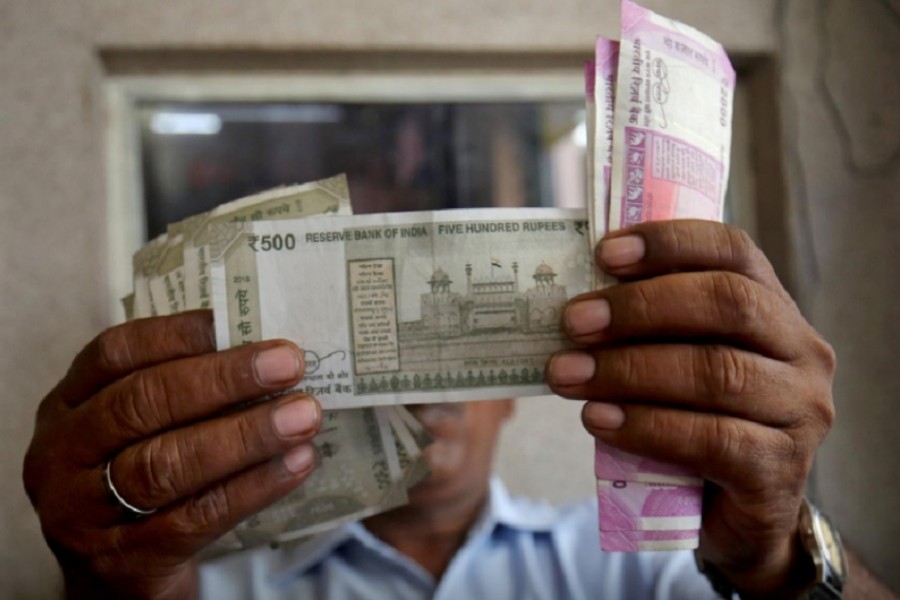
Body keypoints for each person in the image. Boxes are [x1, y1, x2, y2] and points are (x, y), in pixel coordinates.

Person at [21, 220, 891, 599]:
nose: (427, 389)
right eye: (393, 361)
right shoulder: (214, 586)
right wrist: (105, 588)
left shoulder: (636, 566)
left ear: (514, 397)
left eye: (450, 361)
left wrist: (778, 558)